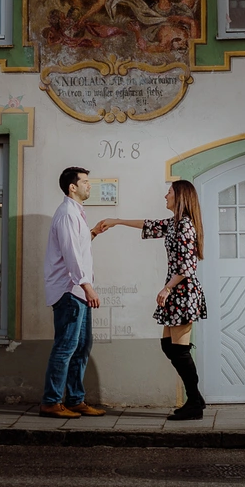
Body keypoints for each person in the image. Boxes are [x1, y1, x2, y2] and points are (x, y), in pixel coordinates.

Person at [94, 179, 208, 420]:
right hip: (177, 292)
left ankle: (194, 402)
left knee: (179, 350)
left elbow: (188, 265)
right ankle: (196, 398)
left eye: (169, 193)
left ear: (180, 197)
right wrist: (117, 222)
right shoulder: (175, 224)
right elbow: (149, 224)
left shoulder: (185, 225)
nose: (165, 196)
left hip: (183, 293)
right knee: (170, 346)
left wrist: (166, 289)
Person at [41, 165, 105, 418]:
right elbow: (70, 255)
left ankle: (76, 399)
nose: (90, 185)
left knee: (81, 346)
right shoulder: (67, 213)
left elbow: (75, 246)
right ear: (73, 187)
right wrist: (87, 286)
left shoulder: (76, 213)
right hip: (70, 290)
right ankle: (51, 401)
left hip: (77, 290)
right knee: (66, 347)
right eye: (86, 181)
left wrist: (92, 233)